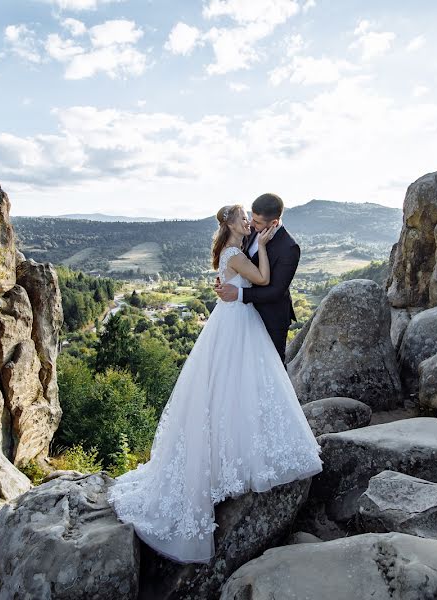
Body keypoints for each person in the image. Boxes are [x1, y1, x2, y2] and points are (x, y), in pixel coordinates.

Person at [107, 203, 322, 564]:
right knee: (232, 384)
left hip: (243, 316)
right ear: (236, 223)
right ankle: (232, 457)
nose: (251, 225)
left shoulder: (259, 244)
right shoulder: (241, 247)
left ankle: (242, 447)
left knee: (244, 384)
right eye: (245, 220)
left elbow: (272, 288)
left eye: (254, 221)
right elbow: (261, 279)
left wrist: (239, 282)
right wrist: (258, 255)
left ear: (271, 221)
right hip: (237, 321)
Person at [215, 193, 299, 364]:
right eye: (251, 218)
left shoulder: (289, 248)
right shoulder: (250, 229)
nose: (252, 224)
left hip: (272, 317)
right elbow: (239, 261)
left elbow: (275, 291)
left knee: (272, 367)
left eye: (257, 222)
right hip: (244, 316)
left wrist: (237, 293)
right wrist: (227, 280)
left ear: (274, 223)